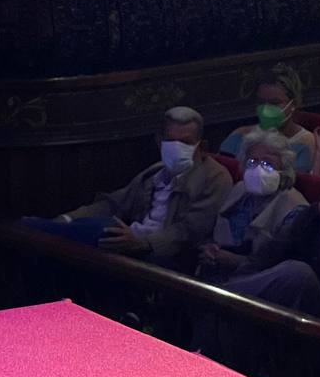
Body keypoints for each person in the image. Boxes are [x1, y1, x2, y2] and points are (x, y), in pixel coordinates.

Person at [22, 107, 232, 270]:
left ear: (201, 146)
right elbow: (114, 203)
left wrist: (142, 242)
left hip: (163, 252)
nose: (176, 147)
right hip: (130, 238)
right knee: (62, 245)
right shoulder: (156, 171)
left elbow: (189, 232)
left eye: (185, 142)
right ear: (159, 142)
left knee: (96, 233)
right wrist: (67, 218)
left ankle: (35, 229)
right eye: (170, 141)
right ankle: (43, 230)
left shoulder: (215, 177)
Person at [208, 159, 320, 319]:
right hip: (286, 312)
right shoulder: (312, 215)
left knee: (298, 273)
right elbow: (264, 258)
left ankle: (211, 299)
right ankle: (215, 299)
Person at [197, 130, 307, 282]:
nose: (258, 170)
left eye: (267, 164)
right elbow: (214, 230)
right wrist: (211, 250)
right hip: (215, 274)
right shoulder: (240, 189)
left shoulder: (294, 208)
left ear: (284, 168)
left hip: (256, 283)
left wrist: (236, 262)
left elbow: (279, 268)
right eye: (252, 162)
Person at [219, 66, 320, 176]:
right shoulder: (239, 135)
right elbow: (222, 172)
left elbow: (303, 185)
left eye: (275, 103)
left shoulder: (307, 144)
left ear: (293, 104)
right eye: (261, 102)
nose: (266, 109)